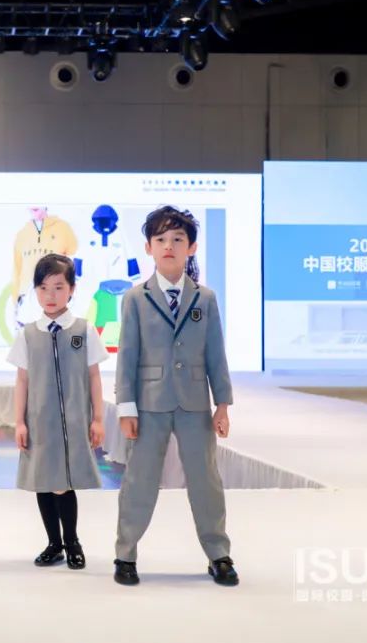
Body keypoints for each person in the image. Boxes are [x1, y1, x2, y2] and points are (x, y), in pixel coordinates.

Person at [113, 206, 238, 587]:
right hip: (148, 404)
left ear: (191, 247)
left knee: (205, 480)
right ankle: (125, 554)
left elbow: (216, 353)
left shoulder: (205, 298)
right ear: (149, 247)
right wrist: (126, 408)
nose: (169, 246)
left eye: (178, 239)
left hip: (195, 402)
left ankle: (218, 554)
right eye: (161, 239)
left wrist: (222, 404)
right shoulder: (135, 298)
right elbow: (127, 356)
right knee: (140, 480)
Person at [9, 253, 107, 569]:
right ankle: (54, 543)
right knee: (44, 480)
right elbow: (22, 380)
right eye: (43, 288)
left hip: (73, 421)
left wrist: (98, 418)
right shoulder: (28, 334)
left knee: (64, 483)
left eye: (58, 287)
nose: (50, 295)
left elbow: (94, 376)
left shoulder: (84, 330)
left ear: (72, 289)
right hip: (40, 422)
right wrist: (19, 422)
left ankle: (72, 542)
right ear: (36, 291)